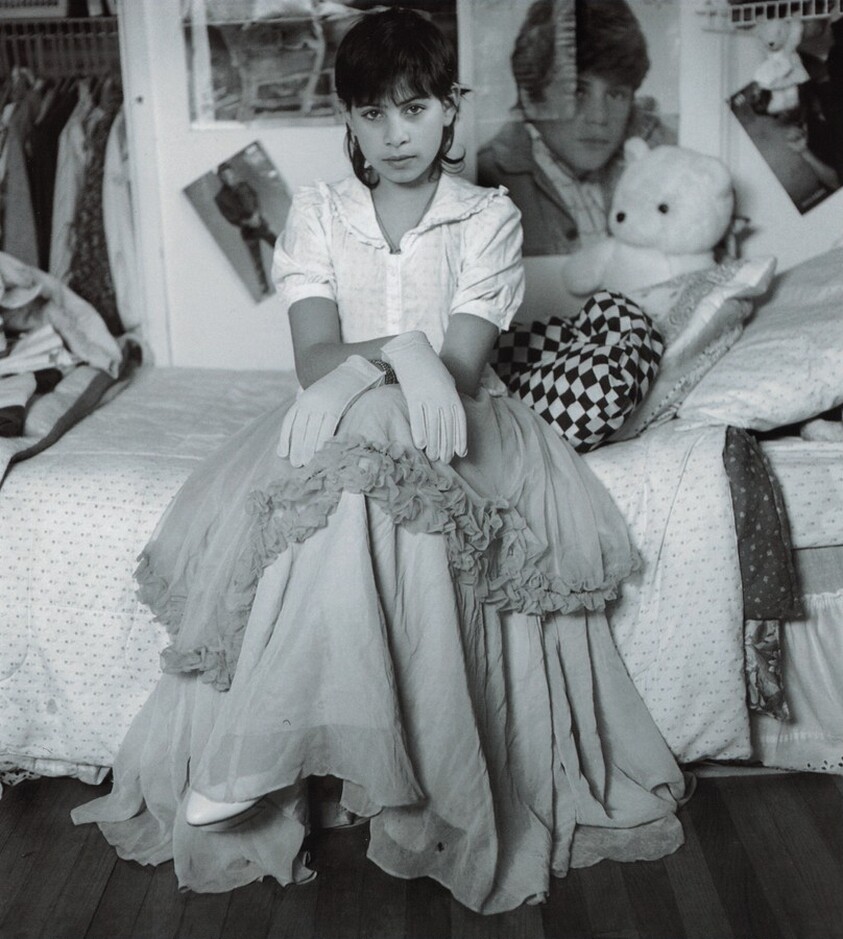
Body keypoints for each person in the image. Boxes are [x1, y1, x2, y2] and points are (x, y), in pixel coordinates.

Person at [72, 8, 689, 915]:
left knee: (377, 439)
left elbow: (462, 370)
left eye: (413, 108)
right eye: (370, 114)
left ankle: (262, 750)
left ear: (449, 108)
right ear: (350, 123)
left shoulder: (486, 218)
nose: (393, 134)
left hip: (459, 430)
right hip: (352, 412)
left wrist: (402, 356)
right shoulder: (320, 214)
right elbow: (313, 357)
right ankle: (310, 739)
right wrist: (392, 352)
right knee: (355, 445)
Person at [477, 0, 675, 257]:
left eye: (616, 94)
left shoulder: (651, 161)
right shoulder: (484, 179)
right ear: (531, 94)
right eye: (578, 91)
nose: (599, 118)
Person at [214, 161, 278, 296]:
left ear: (233, 173)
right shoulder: (220, 198)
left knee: (279, 246)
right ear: (220, 178)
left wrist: (256, 214)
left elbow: (256, 199)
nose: (227, 177)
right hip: (248, 232)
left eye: (229, 174)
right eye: (223, 176)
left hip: (260, 224)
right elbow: (229, 217)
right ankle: (264, 288)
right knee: (257, 262)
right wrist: (247, 222)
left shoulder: (244, 186)